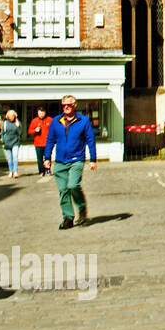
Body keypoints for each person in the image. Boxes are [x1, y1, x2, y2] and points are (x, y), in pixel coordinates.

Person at [43, 94, 97, 229]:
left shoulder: (83, 121)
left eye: (69, 104)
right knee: (63, 190)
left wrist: (93, 159)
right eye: (63, 105)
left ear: (74, 105)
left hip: (76, 160)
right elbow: (50, 140)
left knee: (73, 185)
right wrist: (47, 157)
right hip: (60, 161)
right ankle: (68, 217)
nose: (66, 107)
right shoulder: (56, 121)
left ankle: (82, 209)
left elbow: (90, 140)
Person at [29, 105, 51, 178]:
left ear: (45, 113)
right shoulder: (34, 121)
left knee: (47, 157)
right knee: (39, 158)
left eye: (42, 113)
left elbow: (54, 130)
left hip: (47, 143)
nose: (41, 115)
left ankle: (48, 169)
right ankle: (41, 171)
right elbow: (29, 131)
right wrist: (35, 130)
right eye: (39, 113)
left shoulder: (50, 120)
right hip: (38, 143)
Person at [1, 109, 21, 179]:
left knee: (15, 156)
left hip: (15, 142)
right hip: (7, 143)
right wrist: (3, 140)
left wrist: (18, 126)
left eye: (13, 115)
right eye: (10, 116)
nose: (12, 117)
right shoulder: (5, 123)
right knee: (9, 158)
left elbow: (20, 133)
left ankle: (15, 171)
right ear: (8, 116)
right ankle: (10, 171)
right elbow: (2, 133)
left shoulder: (17, 122)